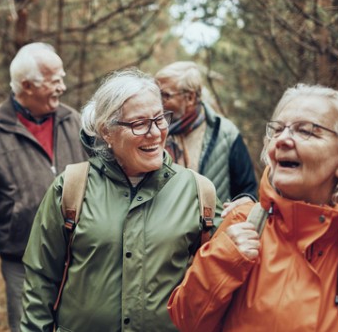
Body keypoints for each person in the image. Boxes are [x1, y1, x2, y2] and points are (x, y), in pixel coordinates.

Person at [168, 83, 338, 331]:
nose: (282, 140)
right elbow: (187, 320)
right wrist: (221, 261)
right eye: (278, 130)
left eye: (306, 131)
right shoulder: (243, 223)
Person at [20, 69, 222, 332]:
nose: (154, 133)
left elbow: (220, 280)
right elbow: (40, 281)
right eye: (139, 123)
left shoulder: (198, 191)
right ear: (107, 131)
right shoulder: (71, 188)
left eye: (159, 119)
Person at [0, 42, 87, 332]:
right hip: (22, 259)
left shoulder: (74, 121)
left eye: (62, 78)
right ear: (27, 86)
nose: (62, 87)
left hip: (81, 255)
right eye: (54, 81)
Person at [155, 61, 258, 203]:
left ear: (190, 98)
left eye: (165, 95)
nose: (158, 101)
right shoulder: (153, 131)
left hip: (215, 224)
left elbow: (247, 191)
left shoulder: (226, 133)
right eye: (156, 94)